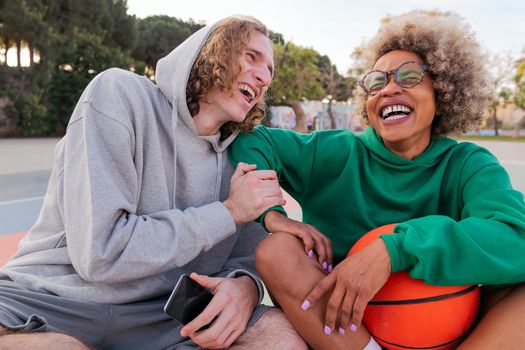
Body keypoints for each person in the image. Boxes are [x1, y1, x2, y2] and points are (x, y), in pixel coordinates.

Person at [0, 16, 309, 349]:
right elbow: (100, 255)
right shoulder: (119, 94)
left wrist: (245, 286)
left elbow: (249, 254)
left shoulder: (245, 149)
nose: (263, 77)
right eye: (251, 57)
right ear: (214, 50)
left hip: (166, 315)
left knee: (281, 337)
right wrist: (229, 212)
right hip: (51, 298)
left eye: (269, 72)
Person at [229, 11, 525, 350]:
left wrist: (393, 250)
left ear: (443, 92)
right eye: (376, 82)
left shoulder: (468, 163)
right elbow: (250, 138)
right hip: (349, 330)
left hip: (453, 327)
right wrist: (273, 217)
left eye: (409, 76)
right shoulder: (334, 152)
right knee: (276, 250)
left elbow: (517, 236)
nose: (389, 89)